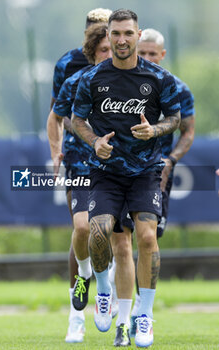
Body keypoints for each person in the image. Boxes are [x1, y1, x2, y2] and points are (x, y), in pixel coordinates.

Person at [71, 9, 180, 348]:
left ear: (138, 34)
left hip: (146, 171)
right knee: (98, 231)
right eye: (115, 34)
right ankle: (103, 288)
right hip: (105, 172)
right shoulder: (92, 77)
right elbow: (77, 120)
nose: (121, 40)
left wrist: (155, 130)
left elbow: (175, 117)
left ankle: (144, 315)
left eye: (127, 34)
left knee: (147, 238)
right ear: (109, 34)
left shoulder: (160, 78)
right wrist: (95, 142)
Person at [49, 8, 112, 343]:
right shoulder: (69, 69)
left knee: (112, 231)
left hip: (116, 163)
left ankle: (110, 291)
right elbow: (55, 114)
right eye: (99, 35)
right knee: (83, 226)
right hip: (78, 156)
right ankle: (82, 291)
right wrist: (55, 152)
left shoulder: (127, 73)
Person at [129, 28, 195, 336]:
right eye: (144, 53)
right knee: (121, 236)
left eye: (154, 54)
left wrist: (171, 160)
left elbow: (188, 133)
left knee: (149, 239)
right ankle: (125, 300)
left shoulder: (177, 89)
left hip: (158, 174)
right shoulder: (124, 83)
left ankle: (140, 307)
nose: (148, 58)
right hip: (123, 171)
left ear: (163, 55)